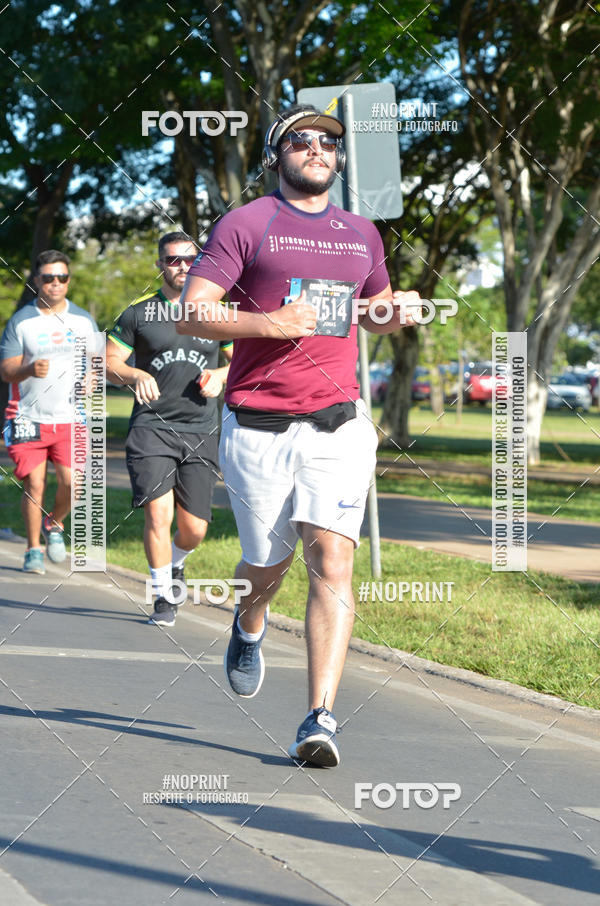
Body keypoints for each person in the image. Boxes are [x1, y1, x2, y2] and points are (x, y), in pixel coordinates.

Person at [177, 105, 421, 766]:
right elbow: (194, 312)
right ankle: (249, 620)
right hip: (257, 425)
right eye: (301, 139)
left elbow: (366, 313)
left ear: (338, 159)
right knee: (267, 562)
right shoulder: (247, 222)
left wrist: (391, 312)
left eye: (328, 142)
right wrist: (271, 324)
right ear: (275, 154)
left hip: (338, 424)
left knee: (332, 560)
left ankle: (320, 717)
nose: (317, 148)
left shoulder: (361, 233)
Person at [106, 232, 232, 627]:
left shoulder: (216, 312)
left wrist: (222, 374)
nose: (181, 266)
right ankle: (162, 595)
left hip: (200, 428)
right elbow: (108, 363)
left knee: (194, 528)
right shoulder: (137, 314)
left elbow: (245, 361)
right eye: (172, 260)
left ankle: (176, 564)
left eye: (189, 259)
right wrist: (133, 372)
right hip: (152, 428)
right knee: (158, 516)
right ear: (160, 265)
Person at [0, 250, 98, 574]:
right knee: (35, 483)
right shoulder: (21, 321)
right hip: (26, 416)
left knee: (73, 484)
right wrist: (28, 368)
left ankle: (53, 523)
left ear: (68, 280)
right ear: (37, 281)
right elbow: (5, 370)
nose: (55, 284)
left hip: (70, 418)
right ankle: (33, 550)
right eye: (48, 278)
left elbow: (97, 365)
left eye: (62, 278)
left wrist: (91, 379)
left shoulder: (83, 320)